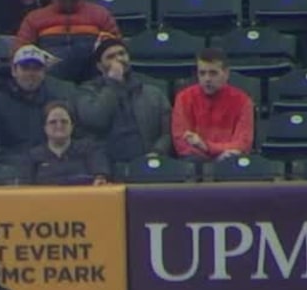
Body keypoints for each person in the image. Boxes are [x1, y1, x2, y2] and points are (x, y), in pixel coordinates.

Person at [12, 0, 119, 85]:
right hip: (49, 86)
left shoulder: (100, 15)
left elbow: (117, 50)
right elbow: (20, 53)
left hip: (94, 84)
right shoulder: (34, 18)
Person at [73, 37, 172, 167]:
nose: (119, 59)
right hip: (107, 166)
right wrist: (113, 83)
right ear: (99, 66)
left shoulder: (152, 92)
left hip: (147, 162)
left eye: (122, 53)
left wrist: (157, 151)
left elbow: (167, 132)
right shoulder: (87, 91)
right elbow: (96, 120)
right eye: (110, 57)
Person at [0, 45, 77, 169]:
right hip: (8, 171)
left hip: (51, 169)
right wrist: (26, 163)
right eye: (25, 68)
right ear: (14, 71)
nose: (31, 73)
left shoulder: (56, 101)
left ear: (44, 72)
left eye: (36, 68)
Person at [171, 47, 255, 163]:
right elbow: (181, 142)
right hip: (195, 163)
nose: (207, 79)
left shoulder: (243, 101)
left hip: (228, 163)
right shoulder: (183, 98)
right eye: (202, 73)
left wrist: (206, 146)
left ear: (226, 73)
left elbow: (243, 144)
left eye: (213, 73)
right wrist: (210, 159)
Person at [21, 101, 111, 184]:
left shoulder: (89, 149)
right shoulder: (32, 156)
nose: (59, 126)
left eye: (64, 121)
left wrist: (100, 177)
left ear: (72, 126)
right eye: (53, 122)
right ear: (45, 127)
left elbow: (100, 177)